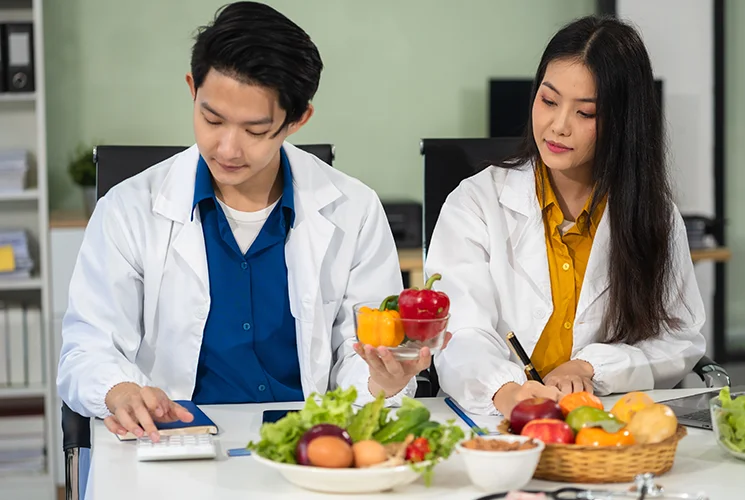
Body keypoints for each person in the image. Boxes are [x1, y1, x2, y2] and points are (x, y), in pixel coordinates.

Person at [57, 2, 432, 442]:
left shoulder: (354, 210)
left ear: (298, 119)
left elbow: (361, 353)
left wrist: (379, 382)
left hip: (307, 448)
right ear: (192, 89)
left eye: (255, 131)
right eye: (211, 119)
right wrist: (119, 389)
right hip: (179, 441)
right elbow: (88, 346)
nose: (228, 149)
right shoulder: (129, 209)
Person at [424, 15, 706, 418]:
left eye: (585, 113)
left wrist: (592, 367)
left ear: (623, 123)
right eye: (549, 101)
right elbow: (460, 333)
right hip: (496, 420)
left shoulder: (654, 214)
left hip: (606, 419)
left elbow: (679, 339)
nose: (558, 126)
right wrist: (505, 391)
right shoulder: (477, 202)